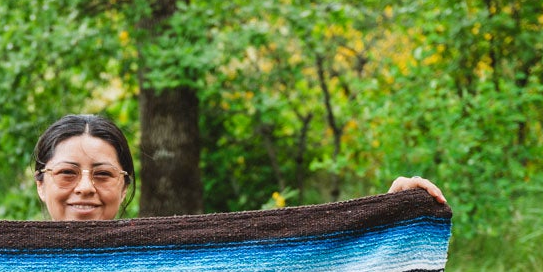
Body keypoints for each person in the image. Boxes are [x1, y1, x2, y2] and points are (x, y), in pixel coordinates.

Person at [33, 112, 446, 220]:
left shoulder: (165, 264)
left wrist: (388, 216)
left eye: (102, 174)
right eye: (67, 173)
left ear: (124, 186)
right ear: (41, 183)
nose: (85, 187)